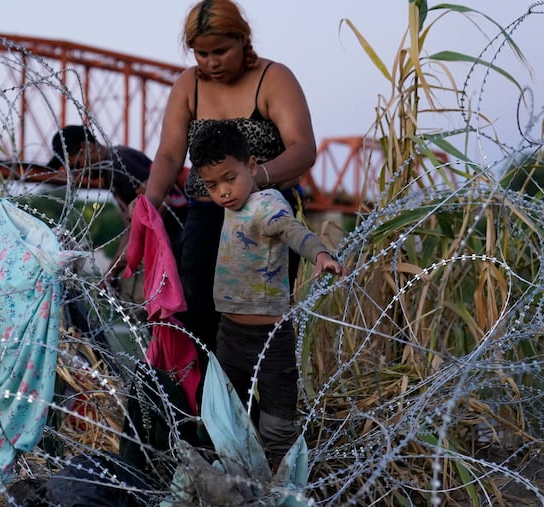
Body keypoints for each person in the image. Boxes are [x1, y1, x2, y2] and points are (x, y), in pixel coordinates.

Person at [134, 0, 317, 359]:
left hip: (264, 220)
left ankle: (255, 411)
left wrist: (256, 177)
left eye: (220, 51)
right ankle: (209, 411)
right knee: (199, 320)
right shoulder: (189, 85)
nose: (210, 62)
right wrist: (148, 203)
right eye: (200, 53)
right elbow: (170, 153)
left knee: (257, 328)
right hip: (205, 217)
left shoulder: (274, 78)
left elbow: (303, 148)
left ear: (242, 39)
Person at [189, 119, 348, 469]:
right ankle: (238, 476)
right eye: (213, 186)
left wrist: (320, 254)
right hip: (230, 332)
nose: (223, 193)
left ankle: (284, 480)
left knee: (277, 421)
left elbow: (293, 231)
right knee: (230, 415)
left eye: (230, 179)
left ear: (251, 166)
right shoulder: (229, 207)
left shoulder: (267, 204)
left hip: (270, 335)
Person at [49, 125, 187, 288]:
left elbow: (161, 202)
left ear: (87, 147)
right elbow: (131, 226)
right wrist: (112, 272)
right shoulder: (112, 170)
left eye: (76, 165)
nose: (79, 173)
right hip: (176, 245)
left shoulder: (120, 163)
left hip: (182, 240)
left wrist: (127, 259)